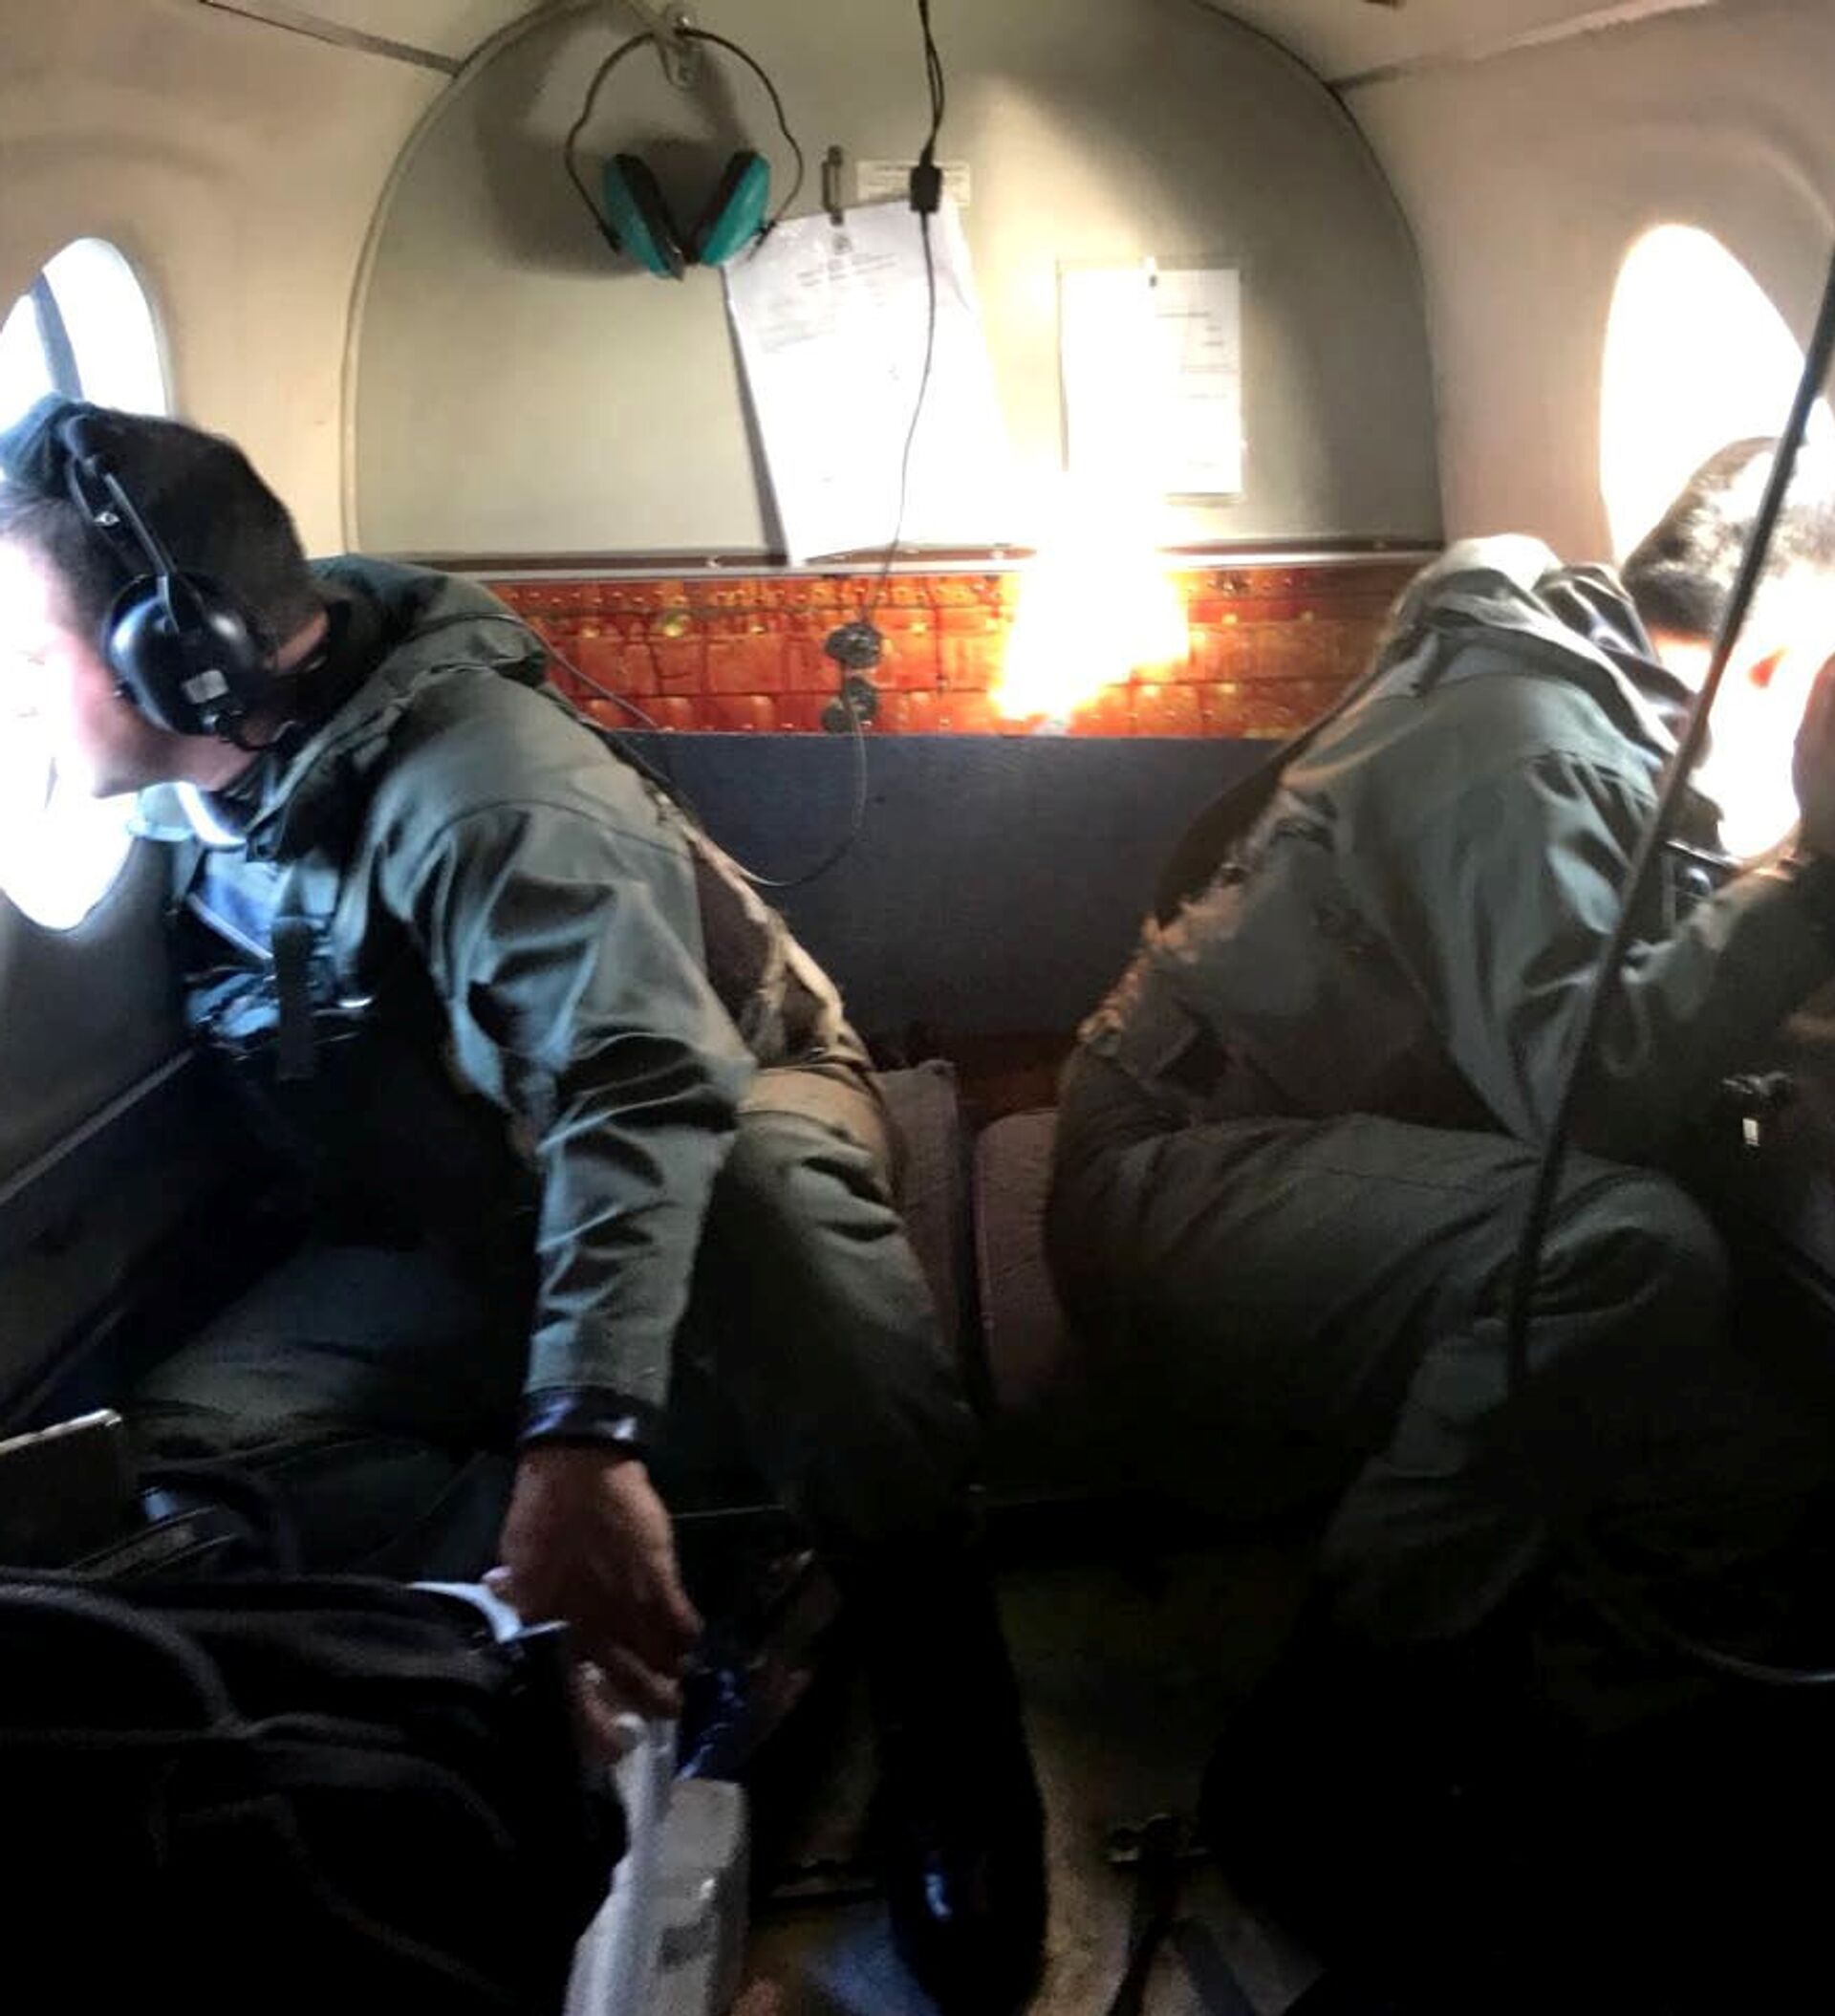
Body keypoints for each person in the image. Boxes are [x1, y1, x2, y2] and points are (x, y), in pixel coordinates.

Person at [0, 396, 1045, 2016]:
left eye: (28, 642)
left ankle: (939, 1673)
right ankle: (678, 1596)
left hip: (718, 1111)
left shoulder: (491, 793)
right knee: (200, 1465)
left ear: (182, 658)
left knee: (766, 1208)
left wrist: (583, 1438)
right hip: (467, 1208)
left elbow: (644, 1085)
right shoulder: (203, 792)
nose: (11, 680)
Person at [1047, 441, 1835, 2001]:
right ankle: (1324, 1760)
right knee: (1621, 1248)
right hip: (1177, 1175)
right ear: (1778, 663)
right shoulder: (1526, 745)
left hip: (1276, 1144)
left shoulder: (1573, 692)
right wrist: (1812, 865)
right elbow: (1587, 1099)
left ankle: (1583, 1774)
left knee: (1741, 1436)